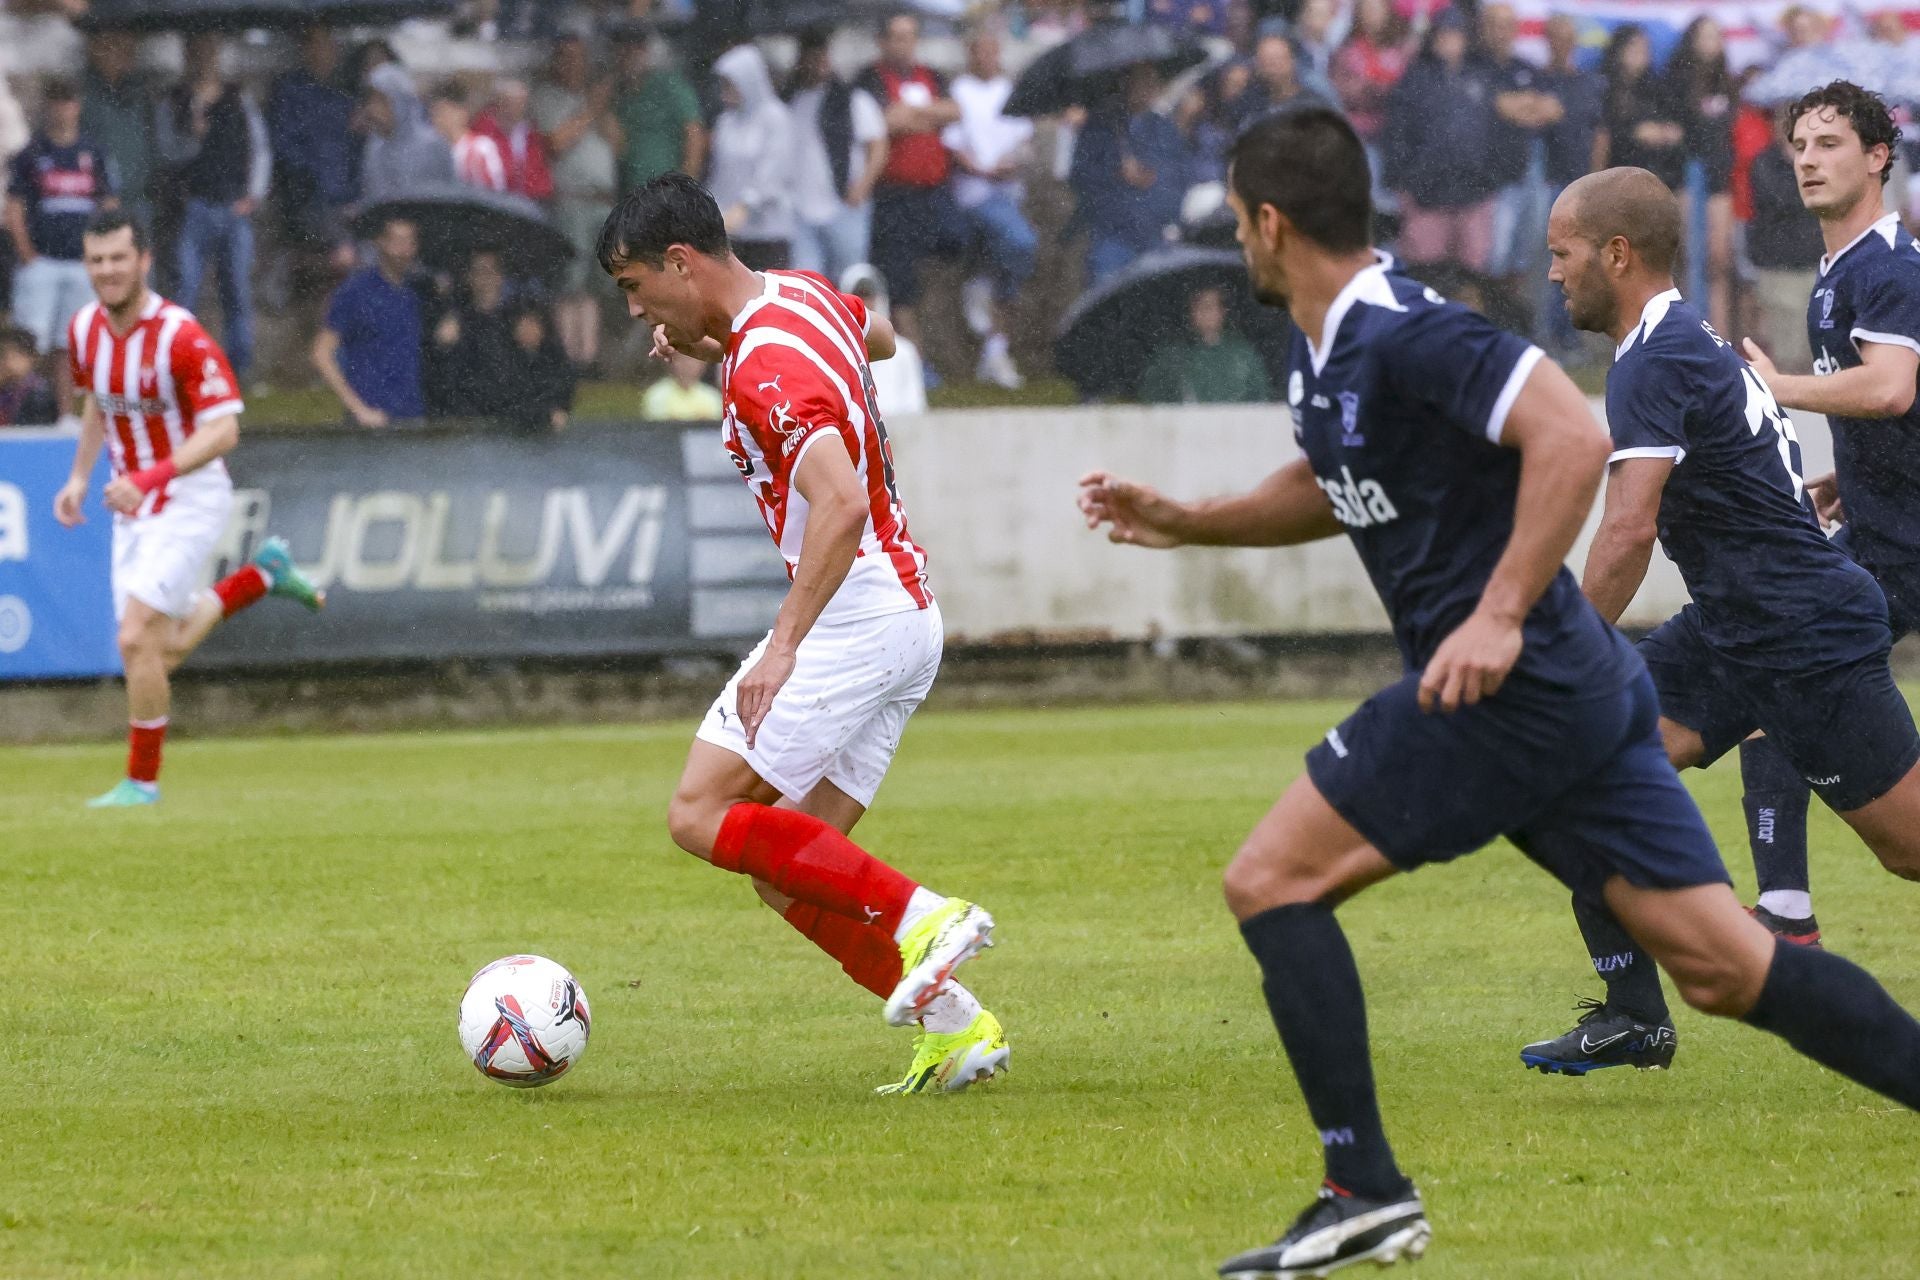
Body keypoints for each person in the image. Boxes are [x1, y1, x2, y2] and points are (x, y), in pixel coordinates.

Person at [1075, 106, 1920, 1279]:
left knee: (1269, 879)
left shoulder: (1403, 328)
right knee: (1729, 967)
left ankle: (1361, 1188)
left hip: (1512, 686)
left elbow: (1567, 440)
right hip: (1569, 694)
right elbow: (1334, 484)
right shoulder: (1322, 350)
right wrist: (1191, 520)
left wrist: (1499, 609)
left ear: (1270, 224)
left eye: (1236, 221)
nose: (1237, 241)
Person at [598, 173, 1006, 1094]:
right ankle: (955, 1028)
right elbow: (883, 338)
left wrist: (782, 645)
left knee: (698, 815)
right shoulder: (803, 295)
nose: (634, 311)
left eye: (634, 287)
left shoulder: (762, 370)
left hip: (855, 614)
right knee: (787, 869)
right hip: (909, 614)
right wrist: (701, 333)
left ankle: (924, 917)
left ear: (679, 261)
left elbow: (841, 502)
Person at [1521, 165, 1920, 1073]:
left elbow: (1629, 527)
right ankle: (1633, 1015)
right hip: (1734, 626)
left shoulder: (1656, 359)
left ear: (1616, 255)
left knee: (1909, 852)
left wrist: (1566, 644)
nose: (1552, 273)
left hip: (1800, 632)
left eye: (1563, 254)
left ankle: (1745, 960)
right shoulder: (1671, 344)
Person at [54, 210, 323, 808]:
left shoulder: (179, 335)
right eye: (97, 260)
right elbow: (99, 403)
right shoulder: (83, 331)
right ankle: (262, 577)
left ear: (144, 260)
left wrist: (150, 476)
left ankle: (141, 784)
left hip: (188, 498)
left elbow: (224, 430)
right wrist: (78, 477)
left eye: (119, 257)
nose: (108, 270)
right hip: (133, 507)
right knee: (159, 649)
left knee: (132, 638)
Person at [1734, 82, 1920, 945]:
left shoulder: (1884, 266)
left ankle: (1786, 911)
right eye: (1800, 145)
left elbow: (1888, 387)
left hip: (1905, 549)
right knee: (1775, 673)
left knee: (1777, 664)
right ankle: (1785, 909)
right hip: (1885, 531)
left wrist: (1781, 389)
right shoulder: (1840, 270)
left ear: (1878, 157)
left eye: (1830, 143)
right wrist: (1854, 476)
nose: (1807, 159)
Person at [155, 34, 270, 379]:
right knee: (186, 290)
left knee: (237, 291)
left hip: (233, 208)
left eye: (209, 52)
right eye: (196, 52)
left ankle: (240, 370)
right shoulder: (174, 101)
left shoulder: (238, 99)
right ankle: (180, 366)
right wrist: (194, 136)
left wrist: (255, 193)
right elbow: (167, 152)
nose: (203, 59)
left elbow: (259, 148)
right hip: (194, 208)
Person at [6, 78, 117, 415]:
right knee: (27, 343)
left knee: (67, 344)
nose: (63, 109)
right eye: (56, 101)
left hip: (80, 263)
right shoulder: (32, 154)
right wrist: (28, 256)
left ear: (77, 106)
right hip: (43, 261)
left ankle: (64, 414)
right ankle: (14, 410)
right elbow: (15, 207)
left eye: (68, 101)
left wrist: (101, 255)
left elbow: (108, 206)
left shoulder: (92, 153)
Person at [856, 11, 966, 348]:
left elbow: (954, 111)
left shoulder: (931, 74)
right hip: (894, 192)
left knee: (958, 239)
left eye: (911, 37)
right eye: (899, 37)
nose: (906, 45)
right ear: (884, 42)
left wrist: (913, 116)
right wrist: (927, 117)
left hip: (934, 192)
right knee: (898, 274)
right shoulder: (870, 78)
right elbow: (885, 120)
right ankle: (911, 354)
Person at [1382, 13, 1503, 300]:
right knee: (1425, 271)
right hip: (1426, 193)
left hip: (1474, 191)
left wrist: (1494, 174)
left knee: (1472, 272)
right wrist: (1403, 182)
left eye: (1456, 34)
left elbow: (1501, 130)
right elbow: (1396, 132)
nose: (1449, 41)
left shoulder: (1484, 75)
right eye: (1443, 35)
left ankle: (1465, 334)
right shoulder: (1414, 78)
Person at [943, 26, 1034, 390]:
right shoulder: (959, 92)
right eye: (981, 51)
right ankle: (985, 297)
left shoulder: (1011, 92)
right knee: (1021, 244)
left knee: (1004, 263)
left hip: (1009, 193)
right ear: (971, 53)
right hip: (974, 193)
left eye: (993, 50)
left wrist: (1013, 163)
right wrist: (981, 169)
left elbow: (1025, 141)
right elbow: (951, 145)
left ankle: (994, 345)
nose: (988, 57)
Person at [532, 35, 623, 369]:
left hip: (602, 200)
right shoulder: (546, 98)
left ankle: (587, 360)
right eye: (566, 57)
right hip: (570, 200)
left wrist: (601, 111)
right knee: (569, 281)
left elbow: (617, 145)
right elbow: (555, 143)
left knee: (595, 284)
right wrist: (590, 111)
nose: (573, 64)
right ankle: (567, 358)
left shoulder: (595, 101)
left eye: (579, 57)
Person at [784, 26, 888, 287]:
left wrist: (863, 185)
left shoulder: (851, 99)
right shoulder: (790, 100)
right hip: (801, 209)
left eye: (821, 57)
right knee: (805, 284)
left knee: (849, 282)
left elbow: (877, 144)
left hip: (843, 204)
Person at [1069, 63, 1188, 284]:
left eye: (1152, 82)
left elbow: (1177, 179)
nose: (1146, 89)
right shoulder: (1100, 127)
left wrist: (1151, 181)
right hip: (1112, 235)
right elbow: (1081, 176)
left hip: (1153, 235)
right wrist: (1115, 172)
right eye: (1139, 82)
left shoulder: (1164, 129)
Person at [313, 216, 427, 428]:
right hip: (371, 418)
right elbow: (322, 353)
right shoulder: (356, 291)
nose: (403, 250)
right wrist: (358, 409)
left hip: (412, 416)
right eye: (397, 241)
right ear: (381, 243)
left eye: (409, 242)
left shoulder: (417, 294)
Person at [1666, 16, 1738, 337]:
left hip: (1719, 177)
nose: (1713, 41)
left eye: (1717, 35)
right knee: (1687, 257)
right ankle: (1687, 331)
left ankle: (1719, 334)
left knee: (1717, 261)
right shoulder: (1677, 82)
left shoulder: (1727, 82)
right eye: (1706, 35)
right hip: (1686, 175)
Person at [269, 26, 359, 258]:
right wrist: (313, 179)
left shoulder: (345, 94)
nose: (323, 53)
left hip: (349, 197)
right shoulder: (291, 91)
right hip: (309, 198)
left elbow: (354, 147)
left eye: (328, 46)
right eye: (316, 46)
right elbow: (284, 145)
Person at [706, 44, 794, 271]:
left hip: (767, 232)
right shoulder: (726, 122)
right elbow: (719, 172)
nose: (725, 91)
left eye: (730, 84)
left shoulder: (775, 118)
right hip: (730, 229)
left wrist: (746, 205)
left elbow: (774, 170)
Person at [1743, 128, 1822, 373]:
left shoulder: (1818, 162)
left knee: (1816, 349)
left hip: (1814, 264)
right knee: (1785, 352)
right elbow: (1781, 199)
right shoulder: (1765, 162)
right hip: (1778, 268)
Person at [79, 31, 157, 235]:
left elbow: (152, 146)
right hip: (99, 202)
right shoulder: (87, 96)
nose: (123, 56)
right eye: (114, 49)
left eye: (127, 50)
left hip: (139, 199)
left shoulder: (140, 95)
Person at [612, 25, 704, 195]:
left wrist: (686, 188)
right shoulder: (619, 95)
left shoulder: (670, 85)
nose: (628, 54)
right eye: (623, 49)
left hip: (669, 191)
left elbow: (694, 133)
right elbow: (618, 145)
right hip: (633, 196)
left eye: (636, 48)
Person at [1139, 285, 1270, 403]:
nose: (1203, 313)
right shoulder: (1174, 353)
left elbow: (1260, 396)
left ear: (1222, 312)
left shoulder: (1241, 353)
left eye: (1209, 306)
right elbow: (1152, 394)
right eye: (1197, 306)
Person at [1594, 25, 1686, 191]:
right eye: (1634, 45)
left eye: (1645, 47)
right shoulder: (1603, 86)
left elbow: (1675, 121)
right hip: (1617, 168)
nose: (1641, 51)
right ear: (1619, 49)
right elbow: (1600, 130)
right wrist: (1634, 133)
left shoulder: (1656, 87)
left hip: (1656, 170)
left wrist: (1666, 131)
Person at [840, 262, 926, 418]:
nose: (864, 302)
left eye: (868, 295)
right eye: (858, 295)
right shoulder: (837, 352)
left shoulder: (904, 352)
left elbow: (916, 408)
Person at [360, 63, 453, 203]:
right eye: (371, 101)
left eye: (382, 101)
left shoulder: (432, 145)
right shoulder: (374, 149)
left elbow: (449, 198)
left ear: (400, 101)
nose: (373, 110)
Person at [472, 78, 553, 203]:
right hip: (496, 202)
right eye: (511, 102)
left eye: (522, 103)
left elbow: (539, 174)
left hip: (530, 202)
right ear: (499, 103)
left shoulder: (529, 132)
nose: (518, 108)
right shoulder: (484, 131)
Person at [431, 85, 506, 193]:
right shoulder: (433, 151)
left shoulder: (481, 148)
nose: (438, 120)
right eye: (435, 114)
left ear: (462, 114)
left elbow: (494, 191)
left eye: (444, 113)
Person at [641, 347, 722, 420]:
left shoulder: (713, 397)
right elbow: (657, 429)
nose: (688, 364)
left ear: (703, 364)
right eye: (683, 359)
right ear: (671, 361)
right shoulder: (656, 394)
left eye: (693, 360)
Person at [0, 324, 57, 426]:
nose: (8, 361)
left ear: (32, 358)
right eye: (5, 355)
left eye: (15, 355)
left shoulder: (39, 392)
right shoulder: (6, 387)